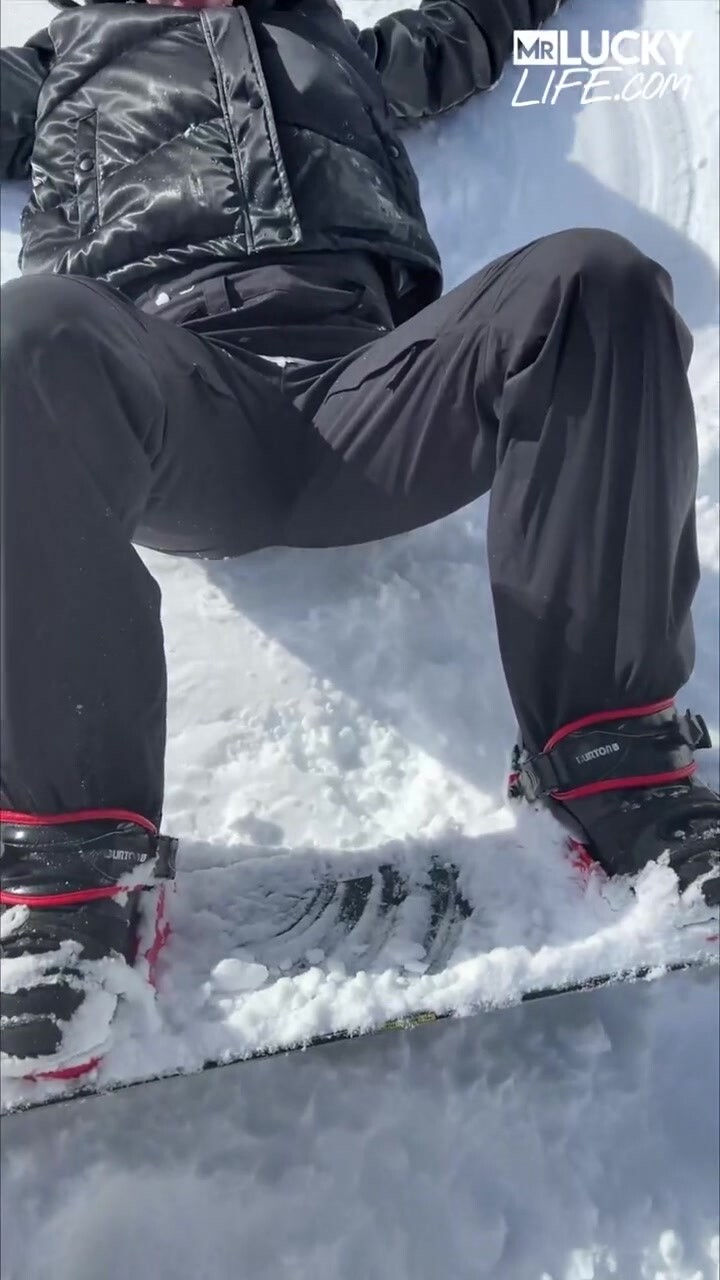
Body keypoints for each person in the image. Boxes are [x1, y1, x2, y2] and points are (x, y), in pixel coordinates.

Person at [0, 0, 717, 1078]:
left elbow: (472, 30)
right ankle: (70, 872)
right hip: (181, 402)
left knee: (596, 281)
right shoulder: (62, 64)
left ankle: (615, 767)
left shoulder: (339, 46)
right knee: (26, 335)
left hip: (371, 393)